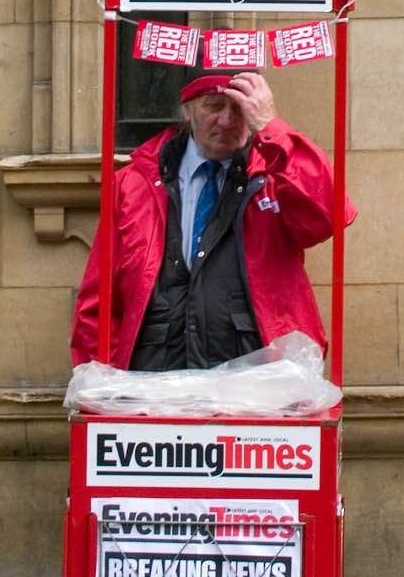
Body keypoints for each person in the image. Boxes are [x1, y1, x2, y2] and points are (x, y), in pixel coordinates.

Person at [71, 70, 351, 370]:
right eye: (214, 106)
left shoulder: (276, 175)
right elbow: (98, 305)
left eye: (239, 107)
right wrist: (105, 385)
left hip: (259, 384)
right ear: (187, 110)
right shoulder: (131, 184)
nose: (227, 121)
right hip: (153, 385)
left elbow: (328, 214)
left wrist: (271, 128)